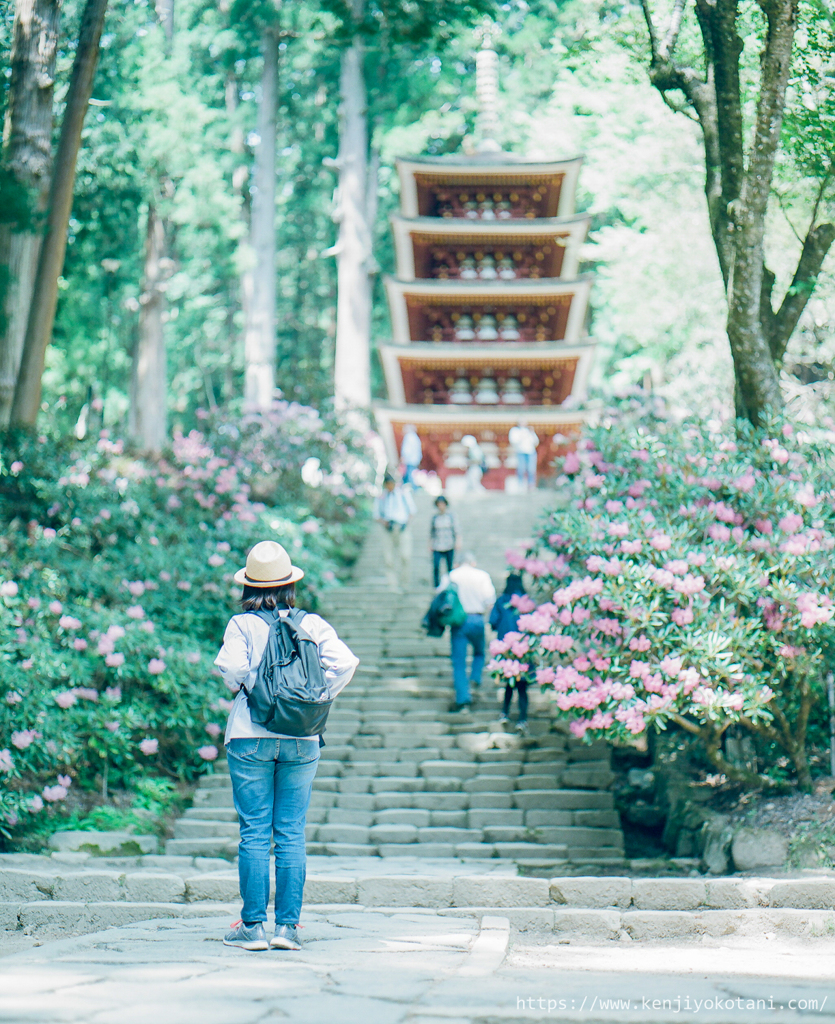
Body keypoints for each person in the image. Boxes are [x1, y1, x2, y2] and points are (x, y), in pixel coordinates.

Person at [215, 540, 359, 952]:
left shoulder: (242, 625)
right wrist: (316, 698)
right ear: (290, 584)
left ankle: (253, 927)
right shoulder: (311, 624)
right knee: (291, 832)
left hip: (250, 735)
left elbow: (231, 666)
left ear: (249, 587)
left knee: (255, 831)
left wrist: (252, 690)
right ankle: (288, 930)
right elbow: (346, 662)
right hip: (301, 738)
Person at [444, 552, 496, 712]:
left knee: (458, 662)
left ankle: (463, 698)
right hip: (477, 618)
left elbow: (441, 596)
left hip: (458, 621)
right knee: (479, 653)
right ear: (473, 563)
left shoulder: (451, 576)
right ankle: (475, 677)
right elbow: (490, 600)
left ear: (458, 563)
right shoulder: (482, 576)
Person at [489, 572, 529, 733]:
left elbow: (492, 621)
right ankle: (523, 718)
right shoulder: (527, 602)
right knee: (522, 685)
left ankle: (505, 713)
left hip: (506, 648)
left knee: (509, 682)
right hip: (525, 648)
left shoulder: (501, 600)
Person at [373, 471, 416, 590]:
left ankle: (405, 583)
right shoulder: (381, 497)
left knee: (405, 556)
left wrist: (406, 523)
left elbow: (412, 511)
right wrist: (384, 522)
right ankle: (392, 584)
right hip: (388, 529)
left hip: (402, 528)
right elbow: (376, 515)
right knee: (388, 559)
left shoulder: (403, 494)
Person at [429, 494, 459, 588]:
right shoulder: (435, 517)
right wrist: (429, 544)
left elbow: (456, 530)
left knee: (449, 566)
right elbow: (431, 532)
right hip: (437, 545)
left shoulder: (451, 516)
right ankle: (436, 586)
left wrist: (458, 542)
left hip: (449, 544)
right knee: (436, 566)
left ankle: (450, 585)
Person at [508, 420, 539, 491]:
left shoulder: (530, 431)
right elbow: (513, 441)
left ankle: (531, 485)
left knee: (531, 469)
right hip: (521, 451)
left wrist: (531, 433)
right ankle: (520, 485)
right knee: (521, 469)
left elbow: (536, 442)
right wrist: (522, 435)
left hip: (530, 452)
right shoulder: (515, 430)